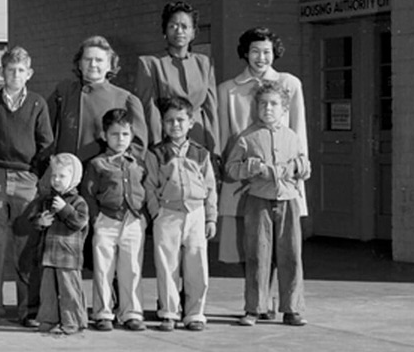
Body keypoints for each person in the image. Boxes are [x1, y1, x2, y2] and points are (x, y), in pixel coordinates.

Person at [0, 45, 53, 326]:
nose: (15, 74)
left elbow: (46, 144)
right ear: (1, 72)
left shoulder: (38, 103)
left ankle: (29, 311)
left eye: (21, 70)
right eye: (10, 69)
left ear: (29, 73)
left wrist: (37, 176)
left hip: (26, 181)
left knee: (27, 249)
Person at [216, 26, 308, 261]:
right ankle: (257, 298)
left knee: (283, 250)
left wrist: (300, 167)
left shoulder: (290, 84)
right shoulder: (228, 90)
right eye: (255, 51)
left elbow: (298, 132)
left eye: (267, 52)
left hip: (281, 180)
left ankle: (275, 298)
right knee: (246, 250)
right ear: (245, 53)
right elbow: (225, 137)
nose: (261, 58)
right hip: (242, 178)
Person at [224, 83, 310, 326]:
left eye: (274, 104)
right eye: (263, 104)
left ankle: (292, 308)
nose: (268, 108)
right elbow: (230, 170)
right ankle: (255, 307)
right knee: (257, 254)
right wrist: (252, 168)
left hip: (288, 200)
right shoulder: (246, 137)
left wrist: (296, 167)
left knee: (291, 254)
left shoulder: (292, 136)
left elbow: (305, 165)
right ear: (255, 107)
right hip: (258, 201)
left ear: (284, 108)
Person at [145, 96, 218, 332]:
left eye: (180, 120)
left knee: (197, 265)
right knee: (167, 265)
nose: (175, 125)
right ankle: (169, 312)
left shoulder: (201, 153)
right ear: (162, 123)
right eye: (169, 121)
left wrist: (210, 217)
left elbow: (210, 187)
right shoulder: (156, 153)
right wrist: (156, 213)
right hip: (168, 213)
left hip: (195, 212)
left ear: (191, 122)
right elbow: (149, 185)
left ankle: (195, 313)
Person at [81, 107, 147, 331]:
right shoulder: (97, 164)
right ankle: (103, 312)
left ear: (132, 135)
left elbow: (146, 189)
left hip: (133, 219)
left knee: (132, 267)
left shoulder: (138, 162)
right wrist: (95, 218)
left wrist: (143, 215)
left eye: (125, 134)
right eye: (115, 134)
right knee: (103, 268)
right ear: (104, 135)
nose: (120, 139)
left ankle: (131, 312)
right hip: (106, 219)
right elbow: (88, 193)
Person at [47, 36, 147, 165]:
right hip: (66, 176)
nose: (93, 64)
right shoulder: (63, 93)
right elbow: (45, 133)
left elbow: (137, 147)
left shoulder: (126, 99)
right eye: (87, 59)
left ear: (109, 65)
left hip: (105, 176)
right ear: (79, 64)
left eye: (99, 60)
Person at [134, 1, 218, 149]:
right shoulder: (151, 64)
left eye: (185, 27)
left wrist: (214, 150)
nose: (179, 31)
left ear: (193, 33)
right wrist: (157, 150)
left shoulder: (204, 64)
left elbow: (211, 111)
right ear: (165, 31)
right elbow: (149, 110)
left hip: (199, 141)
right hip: (166, 140)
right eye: (173, 26)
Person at [24, 152, 90, 335]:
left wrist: (65, 209)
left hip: (68, 257)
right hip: (48, 255)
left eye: (62, 176)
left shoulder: (79, 202)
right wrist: (40, 221)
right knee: (48, 291)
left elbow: (79, 223)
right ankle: (48, 320)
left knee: (69, 290)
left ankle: (73, 321)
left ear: (74, 178)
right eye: (54, 175)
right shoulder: (46, 201)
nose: (57, 180)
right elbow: (34, 220)